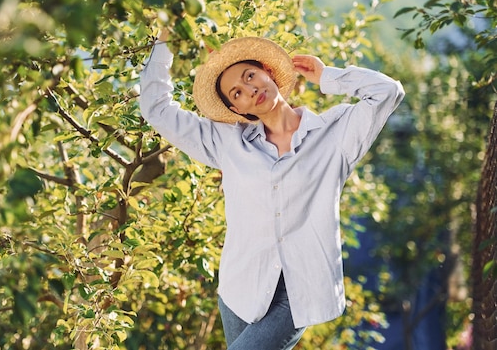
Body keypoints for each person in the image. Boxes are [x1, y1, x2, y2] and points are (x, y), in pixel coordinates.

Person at [139, 31, 405, 350]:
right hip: (239, 291)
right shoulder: (227, 143)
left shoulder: (335, 136)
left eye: (250, 76)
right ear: (236, 109)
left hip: (298, 296)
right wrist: (166, 40)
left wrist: (327, 76)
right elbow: (156, 109)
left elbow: (387, 91)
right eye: (236, 93)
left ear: (268, 71)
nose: (250, 90)